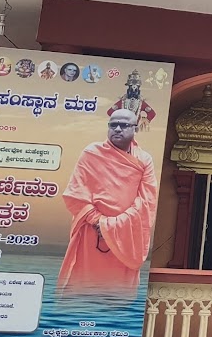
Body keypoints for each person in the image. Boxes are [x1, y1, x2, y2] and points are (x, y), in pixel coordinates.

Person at [59, 110, 158, 296]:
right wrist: (98, 222)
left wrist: (116, 225)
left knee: (119, 295)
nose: (117, 129)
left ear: (135, 129)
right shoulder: (91, 153)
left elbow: (147, 201)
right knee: (82, 288)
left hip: (127, 236)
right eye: (113, 125)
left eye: (124, 125)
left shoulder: (144, 160)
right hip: (91, 233)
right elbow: (75, 193)